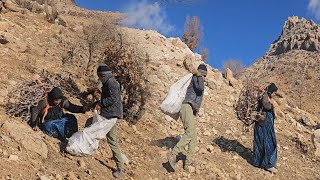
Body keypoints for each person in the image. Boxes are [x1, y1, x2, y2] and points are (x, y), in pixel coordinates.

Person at [167, 64, 207, 171]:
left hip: (189, 108)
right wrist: (198, 75)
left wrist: (196, 110)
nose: (204, 78)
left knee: (193, 136)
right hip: (186, 107)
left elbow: (197, 94)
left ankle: (188, 163)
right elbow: (200, 88)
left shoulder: (197, 78)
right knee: (190, 133)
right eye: (203, 75)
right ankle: (174, 154)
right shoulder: (196, 77)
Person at [95, 64, 125, 178]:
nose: (99, 79)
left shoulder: (112, 83)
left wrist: (100, 104)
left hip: (112, 115)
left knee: (112, 140)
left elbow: (114, 98)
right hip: (108, 113)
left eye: (100, 77)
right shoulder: (108, 82)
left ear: (103, 76)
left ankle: (120, 168)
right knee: (92, 127)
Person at [253, 83, 278, 173]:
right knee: (270, 142)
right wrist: (272, 105)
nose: (275, 94)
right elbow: (266, 106)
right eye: (274, 92)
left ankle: (257, 162)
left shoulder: (264, 95)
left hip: (261, 122)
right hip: (265, 123)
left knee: (259, 142)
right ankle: (269, 164)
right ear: (271, 91)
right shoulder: (265, 96)